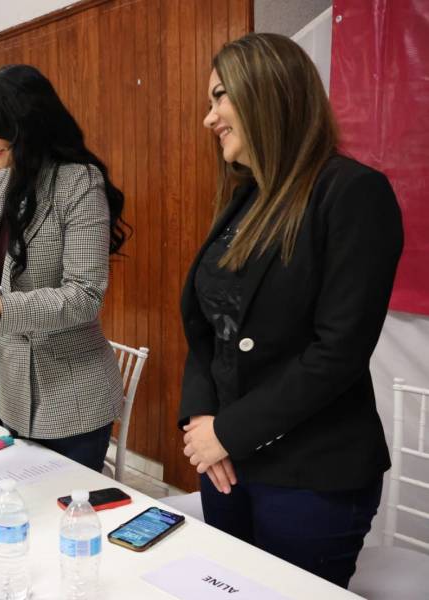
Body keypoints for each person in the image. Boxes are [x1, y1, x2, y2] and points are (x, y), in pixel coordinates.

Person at [179, 33, 403, 588]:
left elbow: (338, 353)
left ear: (267, 92)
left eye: (219, 98)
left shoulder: (352, 193)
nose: (209, 119)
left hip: (310, 477)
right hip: (226, 462)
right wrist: (202, 424)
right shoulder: (245, 197)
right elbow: (210, 332)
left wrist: (229, 431)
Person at [0, 65, 128, 472]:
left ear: (24, 120)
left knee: (67, 515)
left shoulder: (79, 183)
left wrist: (0, 305)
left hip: (74, 396)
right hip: (13, 392)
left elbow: (85, 296)